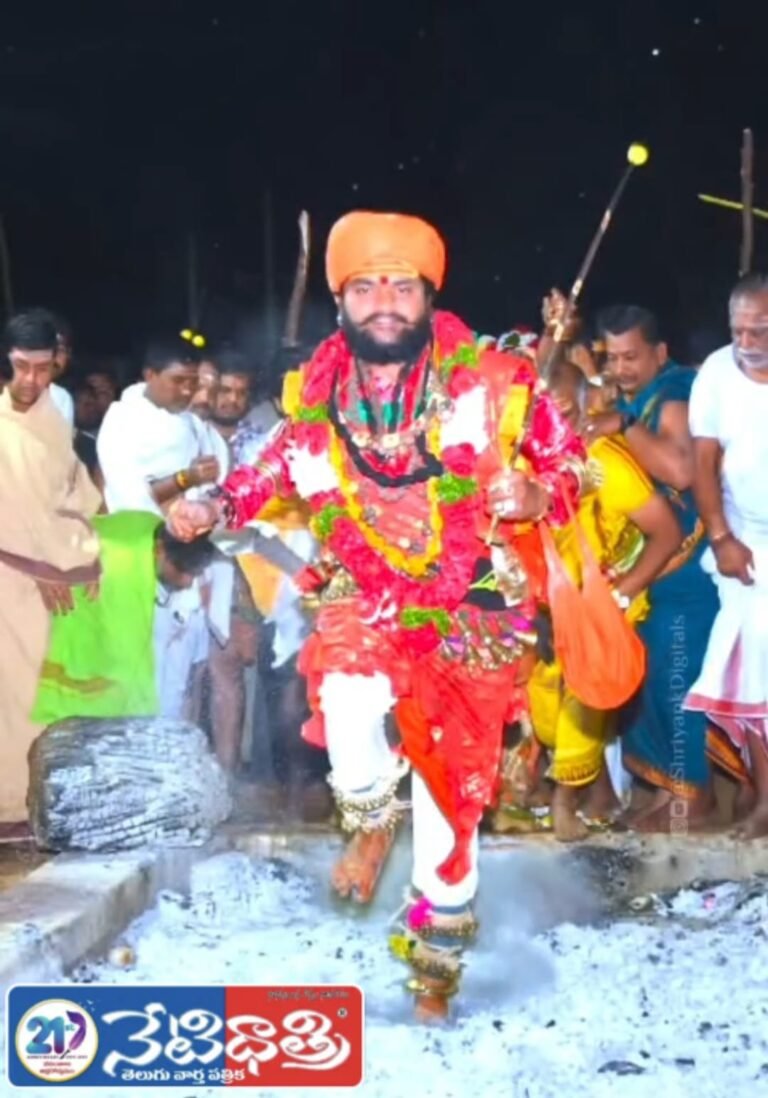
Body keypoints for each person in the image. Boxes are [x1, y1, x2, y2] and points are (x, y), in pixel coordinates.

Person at [168, 210, 585, 1018]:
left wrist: (538, 492)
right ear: (341, 303)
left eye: (402, 284)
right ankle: (367, 809)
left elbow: (574, 467)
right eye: (366, 285)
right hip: (366, 592)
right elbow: (264, 473)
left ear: (429, 296)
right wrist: (214, 501)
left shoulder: (499, 384)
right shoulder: (315, 398)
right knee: (350, 702)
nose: (385, 300)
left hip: (477, 610)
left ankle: (436, 968)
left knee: (452, 796)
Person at [529, 362, 682, 840]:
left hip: (600, 604)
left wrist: (622, 593)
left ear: (584, 411)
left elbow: (667, 532)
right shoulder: (523, 464)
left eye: (565, 412)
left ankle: (565, 800)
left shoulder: (606, 464)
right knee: (541, 702)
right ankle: (598, 795)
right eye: (541, 414)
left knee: (584, 698)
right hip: (547, 603)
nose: (553, 425)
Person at [585, 305, 718, 831]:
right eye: (613, 358)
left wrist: (625, 423)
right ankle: (669, 793)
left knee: (676, 677)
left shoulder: (673, 398)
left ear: (659, 353)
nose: (622, 369)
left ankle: (697, 798)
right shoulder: (630, 396)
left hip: (688, 565)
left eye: (632, 356)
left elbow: (682, 471)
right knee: (646, 676)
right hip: (652, 564)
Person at [0, 310, 101, 824]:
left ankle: (36, 808)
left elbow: (77, 494)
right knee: (11, 697)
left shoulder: (53, 423)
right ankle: (10, 810)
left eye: (42, 369)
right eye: (21, 368)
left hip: (56, 592)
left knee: (50, 699)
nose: (31, 381)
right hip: (7, 585)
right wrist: (37, 562)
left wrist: (74, 558)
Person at [97, 338, 228, 719]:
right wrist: (185, 479)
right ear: (149, 375)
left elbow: (216, 491)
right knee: (138, 675)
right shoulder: (123, 421)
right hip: (141, 560)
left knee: (181, 677)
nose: (187, 390)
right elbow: (131, 494)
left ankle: (173, 766)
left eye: (193, 381)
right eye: (178, 381)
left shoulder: (193, 425)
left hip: (190, 564)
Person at [686, 273, 768, 838]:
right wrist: (721, 537)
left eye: (759, 329)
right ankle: (763, 799)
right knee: (754, 680)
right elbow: (702, 463)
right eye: (737, 329)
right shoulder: (716, 372)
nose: (747, 342)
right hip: (747, 547)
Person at [33, 512, 215, 724]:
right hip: (65, 669)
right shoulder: (124, 564)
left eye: (195, 573)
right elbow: (126, 669)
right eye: (184, 571)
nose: (187, 582)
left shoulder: (155, 528)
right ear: (160, 551)